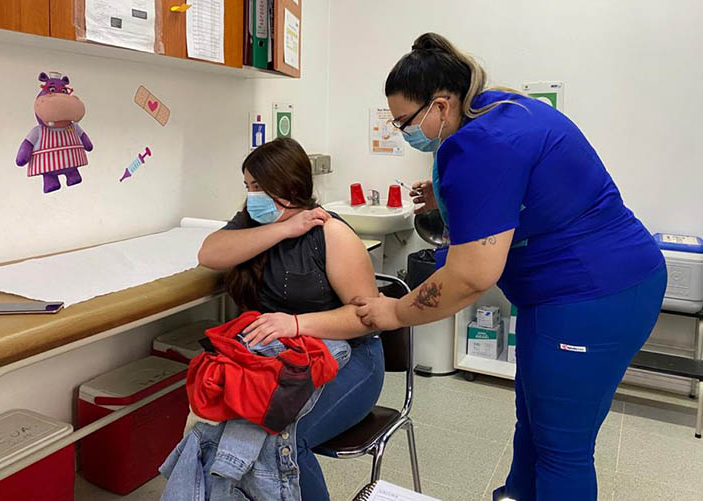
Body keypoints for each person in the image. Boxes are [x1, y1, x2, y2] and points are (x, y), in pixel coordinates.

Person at [351, 33, 666, 501]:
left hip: (594, 292)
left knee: (562, 448)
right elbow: (525, 184)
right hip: (575, 289)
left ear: (441, 106)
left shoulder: (483, 144)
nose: (403, 133)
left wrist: (394, 313)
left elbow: (472, 276)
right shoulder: (498, 107)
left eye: (404, 122)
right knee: (533, 421)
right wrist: (450, 196)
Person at [198, 137, 384, 500]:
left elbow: (367, 318)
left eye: (259, 187)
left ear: (288, 185)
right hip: (284, 361)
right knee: (224, 432)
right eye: (248, 187)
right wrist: (285, 229)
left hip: (351, 360)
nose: (252, 196)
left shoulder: (331, 233)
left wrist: (295, 324)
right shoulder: (253, 223)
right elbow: (209, 253)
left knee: (281, 439)